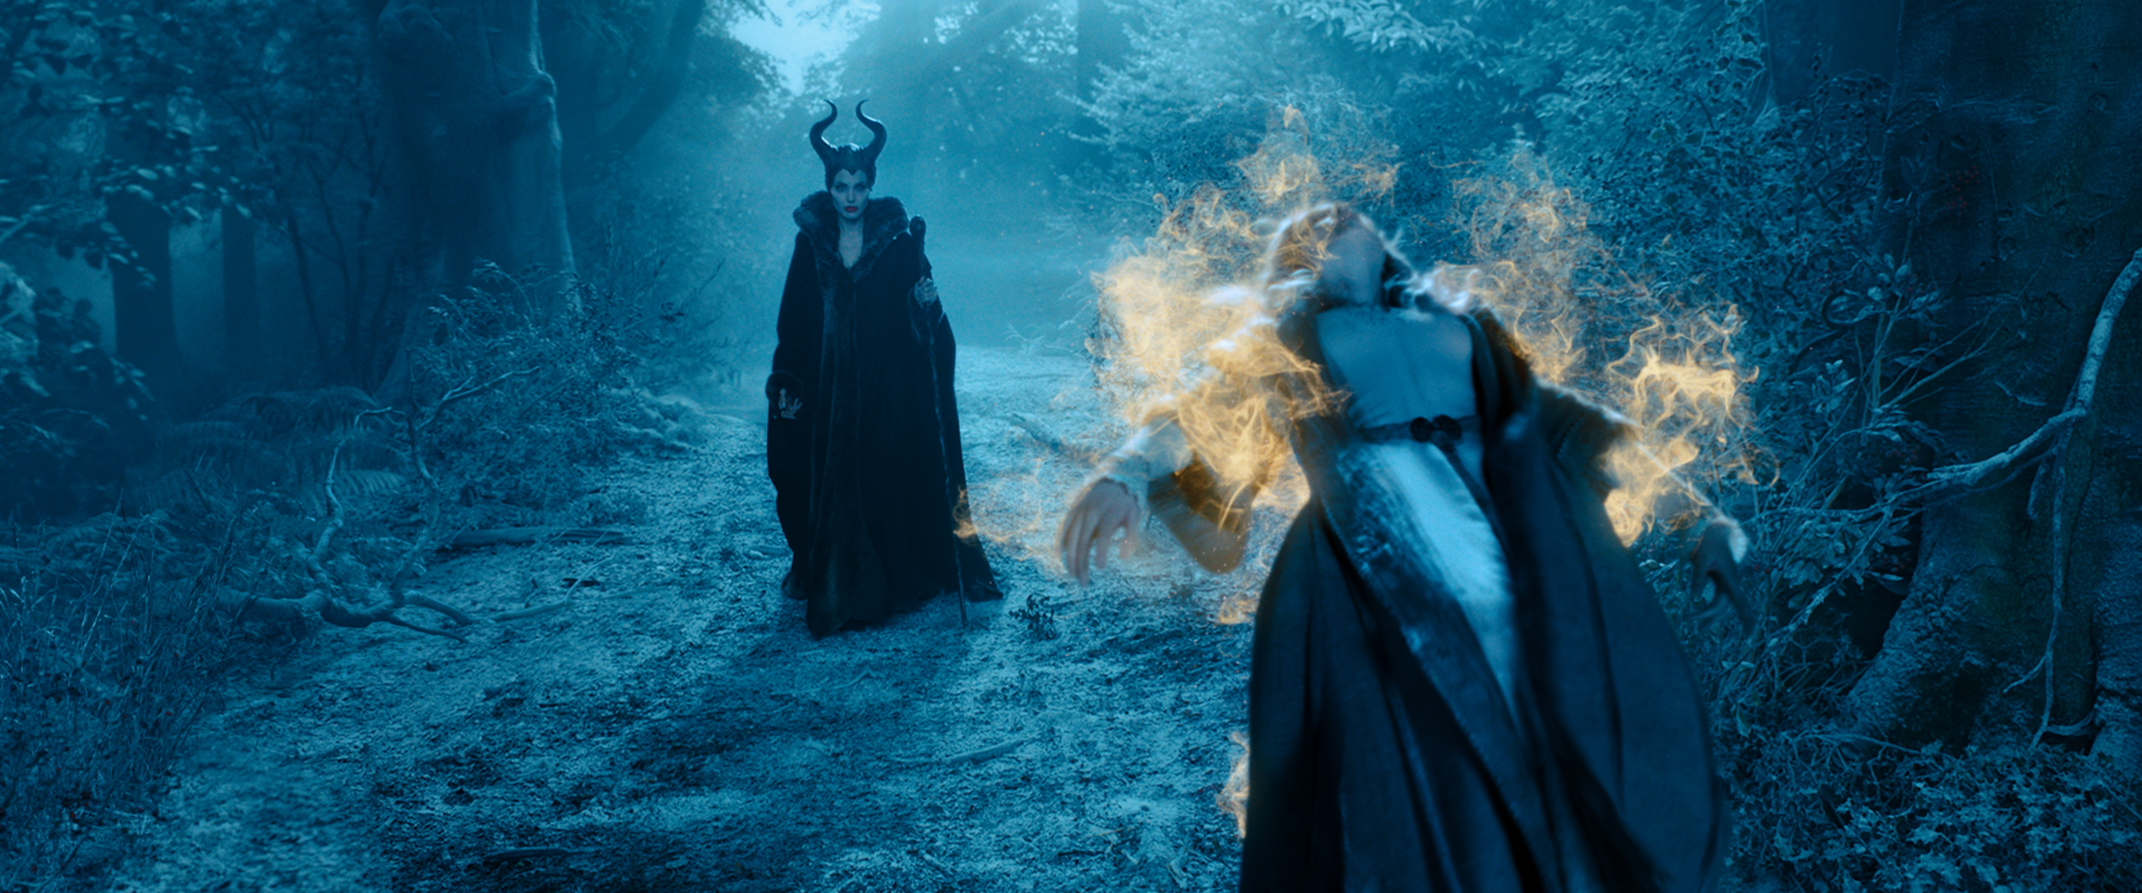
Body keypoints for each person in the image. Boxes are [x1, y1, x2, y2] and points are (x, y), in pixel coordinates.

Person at [1058, 204, 1745, 892]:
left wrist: (1699, 519)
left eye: (1344, 215)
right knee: (1434, 774)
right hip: (1381, 557)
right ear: (1301, 265)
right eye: (1311, 225)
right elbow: (1197, 410)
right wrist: (1125, 473)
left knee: (1563, 748)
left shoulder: (1462, 324)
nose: (1331, 216)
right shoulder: (1286, 340)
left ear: (1381, 245)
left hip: (1521, 548)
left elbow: (1581, 429)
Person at [767, 100, 999, 637]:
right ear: (829, 189)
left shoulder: (897, 242)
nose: (850, 197)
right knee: (821, 479)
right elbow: (794, 320)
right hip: (827, 388)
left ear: (871, 186)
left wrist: (927, 305)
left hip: (883, 386)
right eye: (841, 187)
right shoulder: (811, 242)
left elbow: (922, 323)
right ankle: (830, 573)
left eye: (859, 187)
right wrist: (789, 380)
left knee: (880, 477)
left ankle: (882, 581)